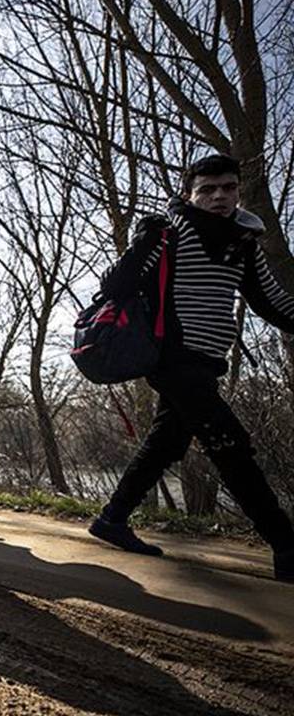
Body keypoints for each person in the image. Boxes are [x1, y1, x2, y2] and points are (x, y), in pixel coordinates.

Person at [90, 154, 294, 583]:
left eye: (228, 188)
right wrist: (142, 241)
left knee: (168, 441)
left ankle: (112, 517)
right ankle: (286, 544)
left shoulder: (244, 243)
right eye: (208, 189)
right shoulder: (167, 235)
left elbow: (270, 301)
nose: (219, 196)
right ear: (190, 194)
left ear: (238, 192)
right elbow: (115, 285)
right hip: (171, 359)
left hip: (207, 363)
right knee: (231, 445)